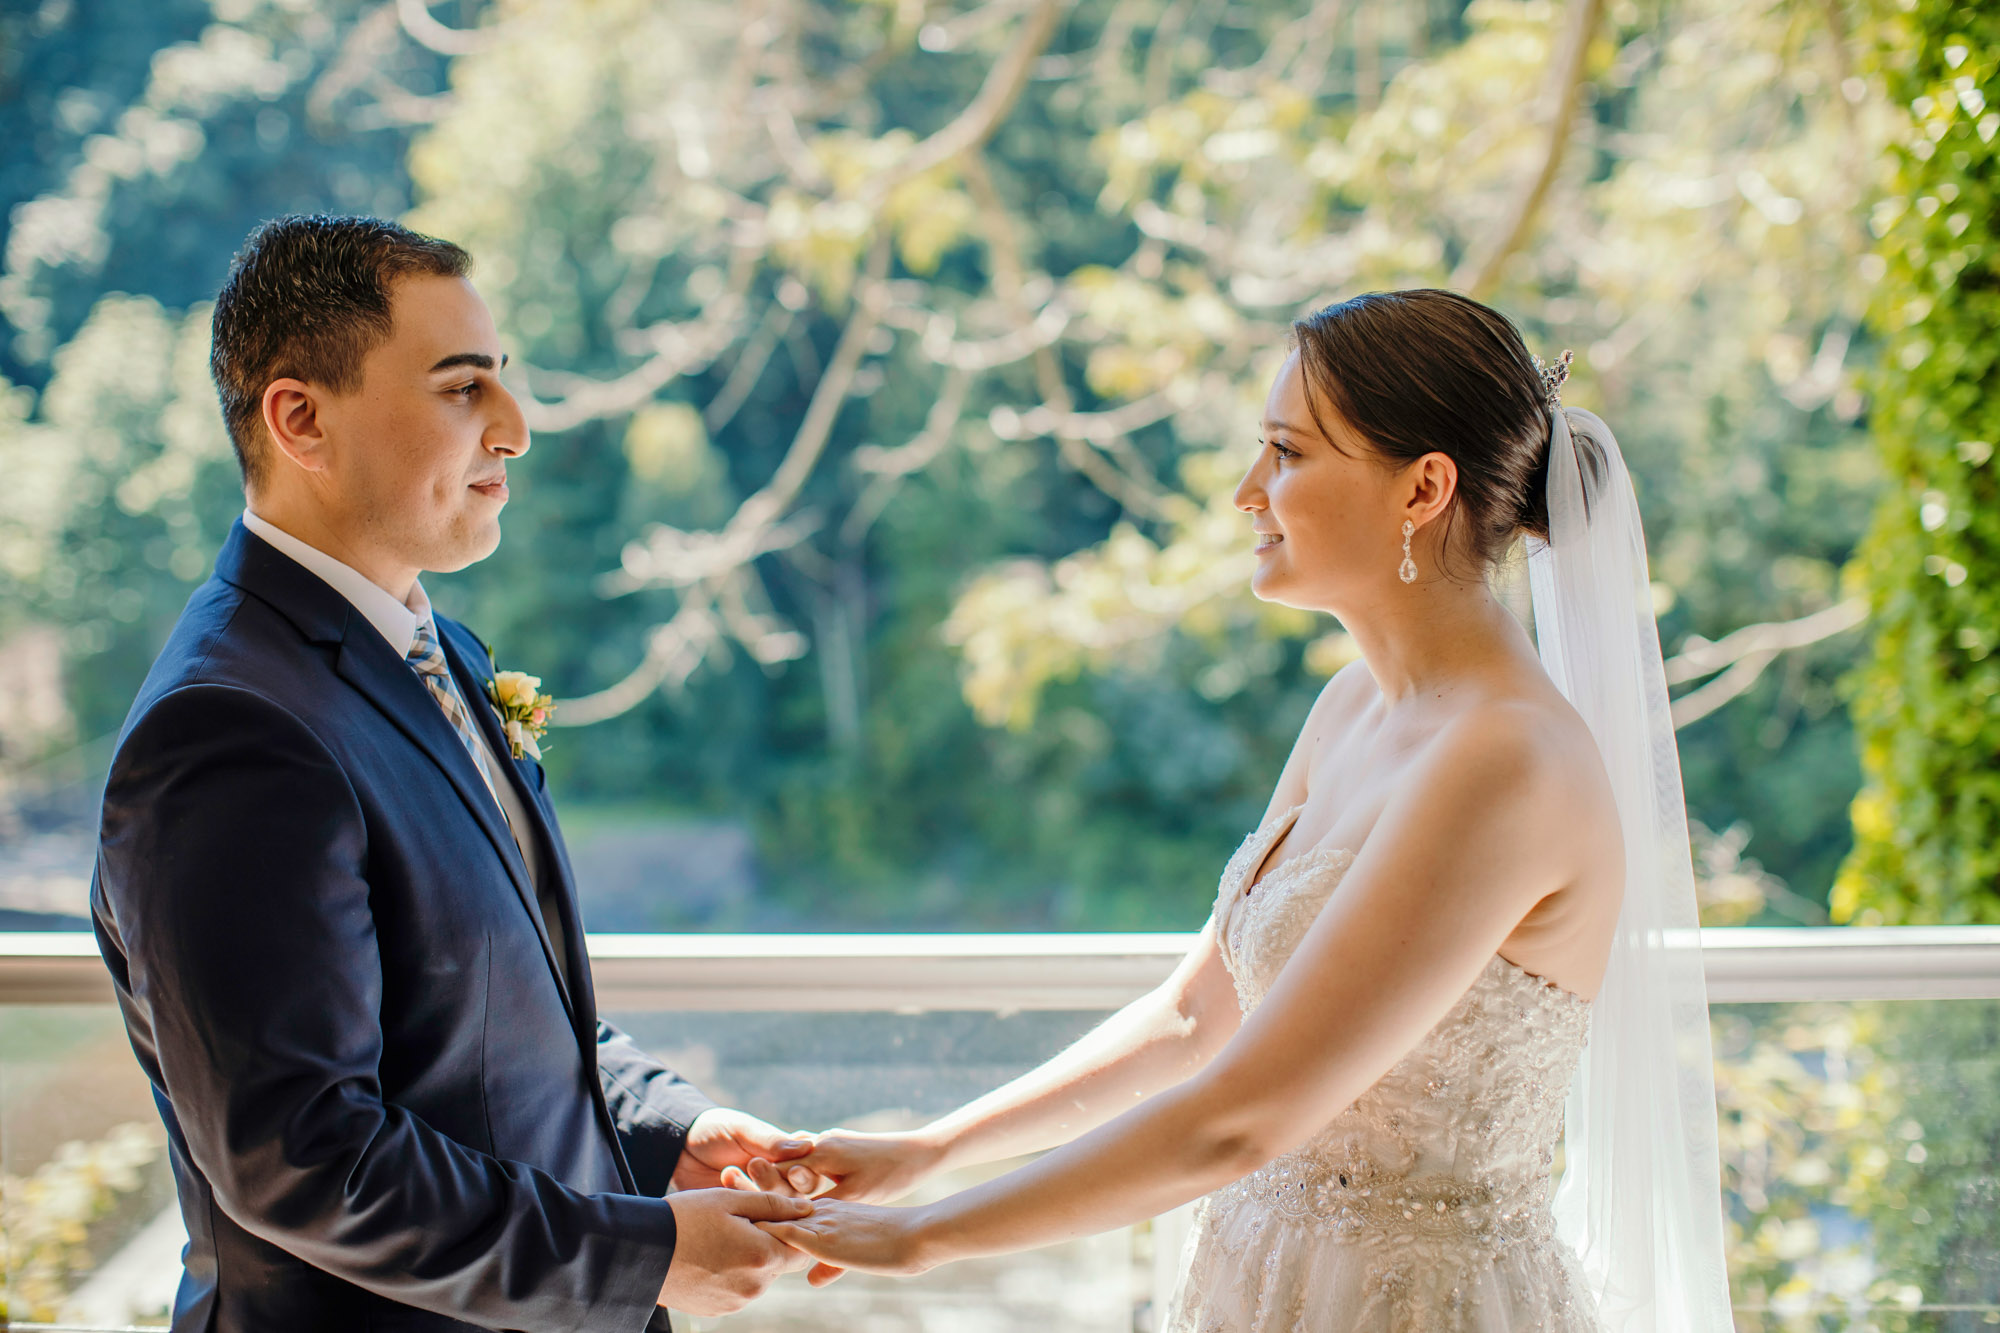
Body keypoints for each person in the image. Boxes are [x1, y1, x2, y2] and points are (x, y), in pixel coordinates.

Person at [743, 290, 1735, 1329]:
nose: (1243, 493)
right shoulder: (1351, 704)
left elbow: (1240, 1119)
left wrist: (928, 1236)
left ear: (1422, 487)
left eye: (1286, 453)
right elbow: (1191, 1019)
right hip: (1261, 1282)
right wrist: (929, 1152)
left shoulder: (1506, 761)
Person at [90, 213, 824, 1333]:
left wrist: (666, 1125)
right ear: (300, 420)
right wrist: (639, 1257)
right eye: (460, 388)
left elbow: (490, 1021)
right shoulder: (229, 727)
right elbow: (306, 1160)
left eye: (503, 382)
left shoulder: (441, 653)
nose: (515, 429)